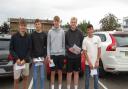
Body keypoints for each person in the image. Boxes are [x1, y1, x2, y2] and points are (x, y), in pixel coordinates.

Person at [10, 18, 31, 89]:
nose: (23, 27)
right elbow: (11, 49)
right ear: (19, 26)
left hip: (26, 62)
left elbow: (30, 50)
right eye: (22, 25)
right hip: (17, 62)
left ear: (26, 26)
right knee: (16, 80)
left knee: (25, 78)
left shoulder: (28, 37)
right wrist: (17, 59)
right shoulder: (14, 36)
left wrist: (25, 60)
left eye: (24, 25)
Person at [47, 16, 65, 89]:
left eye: (58, 21)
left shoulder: (62, 31)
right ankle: (52, 87)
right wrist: (48, 56)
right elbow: (48, 45)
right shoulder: (50, 32)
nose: (56, 22)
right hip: (52, 56)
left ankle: (60, 87)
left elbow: (63, 44)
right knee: (53, 73)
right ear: (53, 22)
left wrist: (63, 54)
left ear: (59, 22)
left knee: (60, 72)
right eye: (55, 21)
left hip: (60, 55)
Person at [65, 17, 84, 89]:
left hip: (77, 56)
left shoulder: (80, 32)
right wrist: (68, 48)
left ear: (76, 23)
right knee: (69, 73)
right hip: (69, 56)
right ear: (70, 23)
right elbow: (65, 44)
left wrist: (80, 49)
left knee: (76, 73)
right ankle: (68, 87)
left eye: (74, 22)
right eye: (72, 22)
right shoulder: (67, 33)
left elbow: (83, 43)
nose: (73, 23)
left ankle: (76, 87)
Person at [82, 24, 101, 89]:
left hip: (95, 64)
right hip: (88, 64)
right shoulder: (85, 40)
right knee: (87, 80)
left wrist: (97, 61)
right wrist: (89, 62)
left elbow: (99, 50)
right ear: (87, 31)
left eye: (91, 29)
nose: (90, 31)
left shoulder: (97, 38)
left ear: (93, 30)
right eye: (88, 30)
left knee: (96, 80)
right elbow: (84, 52)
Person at [31, 19, 47, 89]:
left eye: (39, 24)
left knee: (42, 77)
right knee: (34, 77)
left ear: (41, 25)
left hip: (42, 59)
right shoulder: (32, 35)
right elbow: (30, 47)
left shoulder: (44, 34)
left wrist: (44, 56)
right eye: (36, 24)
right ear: (35, 25)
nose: (37, 25)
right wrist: (32, 57)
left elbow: (46, 46)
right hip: (35, 59)